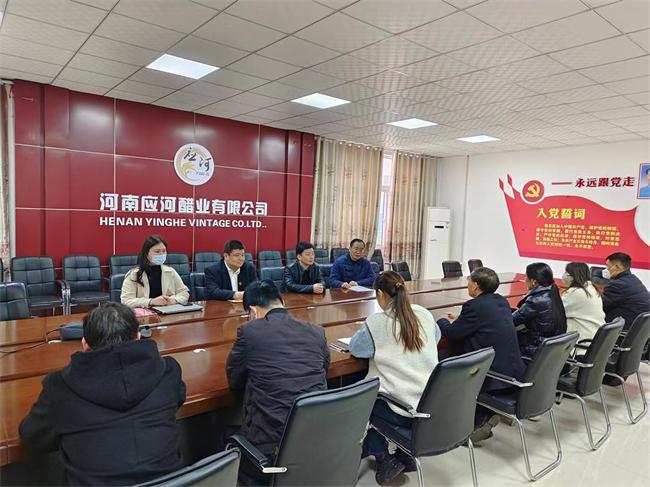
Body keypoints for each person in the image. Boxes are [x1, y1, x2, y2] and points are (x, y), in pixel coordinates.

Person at [19, 303, 186, 486]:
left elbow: (32, 436)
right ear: (138, 336)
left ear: (85, 344)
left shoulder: (60, 387)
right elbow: (177, 399)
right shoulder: (168, 371)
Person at [349, 271, 439, 485]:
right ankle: (404, 453)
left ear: (380, 294)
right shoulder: (423, 313)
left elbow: (357, 348)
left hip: (403, 410)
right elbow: (436, 337)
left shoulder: (377, 322)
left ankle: (383, 457)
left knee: (362, 402)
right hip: (431, 404)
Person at [226, 280, 330, 456]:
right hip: (317, 435)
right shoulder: (316, 331)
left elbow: (235, 381)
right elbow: (325, 367)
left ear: (252, 311)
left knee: (225, 433)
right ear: (282, 302)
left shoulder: (249, 332)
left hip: (271, 445)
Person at [437, 267, 526, 442]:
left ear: (476, 285)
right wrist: (460, 319)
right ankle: (482, 415)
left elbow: (453, 333)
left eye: (469, 280)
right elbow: (483, 321)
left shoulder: (473, 306)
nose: (467, 284)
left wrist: (442, 321)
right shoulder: (500, 301)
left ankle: (461, 415)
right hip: (512, 369)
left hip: (492, 373)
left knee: (443, 359)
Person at [513, 262, 567, 355]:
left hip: (536, 348)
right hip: (551, 347)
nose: (524, 279)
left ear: (534, 281)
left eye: (526, 277)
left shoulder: (536, 300)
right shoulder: (553, 292)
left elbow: (512, 320)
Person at [121, 235, 189, 308]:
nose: (161, 254)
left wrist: (174, 300)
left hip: (168, 311)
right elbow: (126, 301)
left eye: (164, 251)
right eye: (157, 251)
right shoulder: (133, 274)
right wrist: (151, 301)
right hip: (145, 313)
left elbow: (184, 293)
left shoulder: (171, 272)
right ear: (146, 254)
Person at [601, 253, 650, 330]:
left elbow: (600, 306)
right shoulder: (633, 279)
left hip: (623, 331)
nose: (606, 269)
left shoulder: (617, 285)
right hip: (638, 330)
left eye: (607, 266)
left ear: (616, 267)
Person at [561, 262, 605, 340]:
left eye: (566, 272)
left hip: (582, 340)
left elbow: (557, 312)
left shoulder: (576, 292)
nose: (564, 275)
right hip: (595, 335)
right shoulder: (591, 287)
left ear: (572, 276)